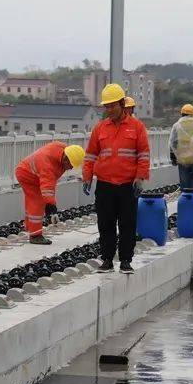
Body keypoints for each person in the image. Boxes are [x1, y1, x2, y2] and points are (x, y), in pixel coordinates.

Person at [83, 83, 150, 274]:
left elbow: (143, 154)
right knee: (105, 223)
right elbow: (90, 155)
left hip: (127, 185)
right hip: (105, 184)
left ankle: (126, 260)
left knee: (128, 224)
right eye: (106, 106)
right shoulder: (100, 128)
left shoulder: (137, 127)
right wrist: (87, 177)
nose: (109, 110)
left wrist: (140, 178)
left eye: (113, 105)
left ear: (122, 104)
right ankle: (106, 259)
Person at [15, 142, 85, 244]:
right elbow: (47, 188)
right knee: (37, 202)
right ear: (66, 158)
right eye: (71, 164)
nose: (71, 168)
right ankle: (35, 235)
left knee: (32, 201)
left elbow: (50, 184)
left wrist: (50, 204)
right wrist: (51, 207)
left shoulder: (63, 150)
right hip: (27, 175)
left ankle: (29, 227)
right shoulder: (48, 164)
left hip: (31, 172)